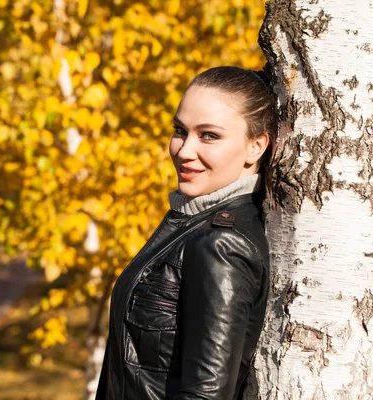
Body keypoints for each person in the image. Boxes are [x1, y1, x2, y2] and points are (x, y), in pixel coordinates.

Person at [95, 66, 274, 400]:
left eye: (209, 135)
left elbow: (205, 395)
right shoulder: (190, 219)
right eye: (180, 131)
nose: (184, 150)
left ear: (256, 146)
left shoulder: (222, 244)